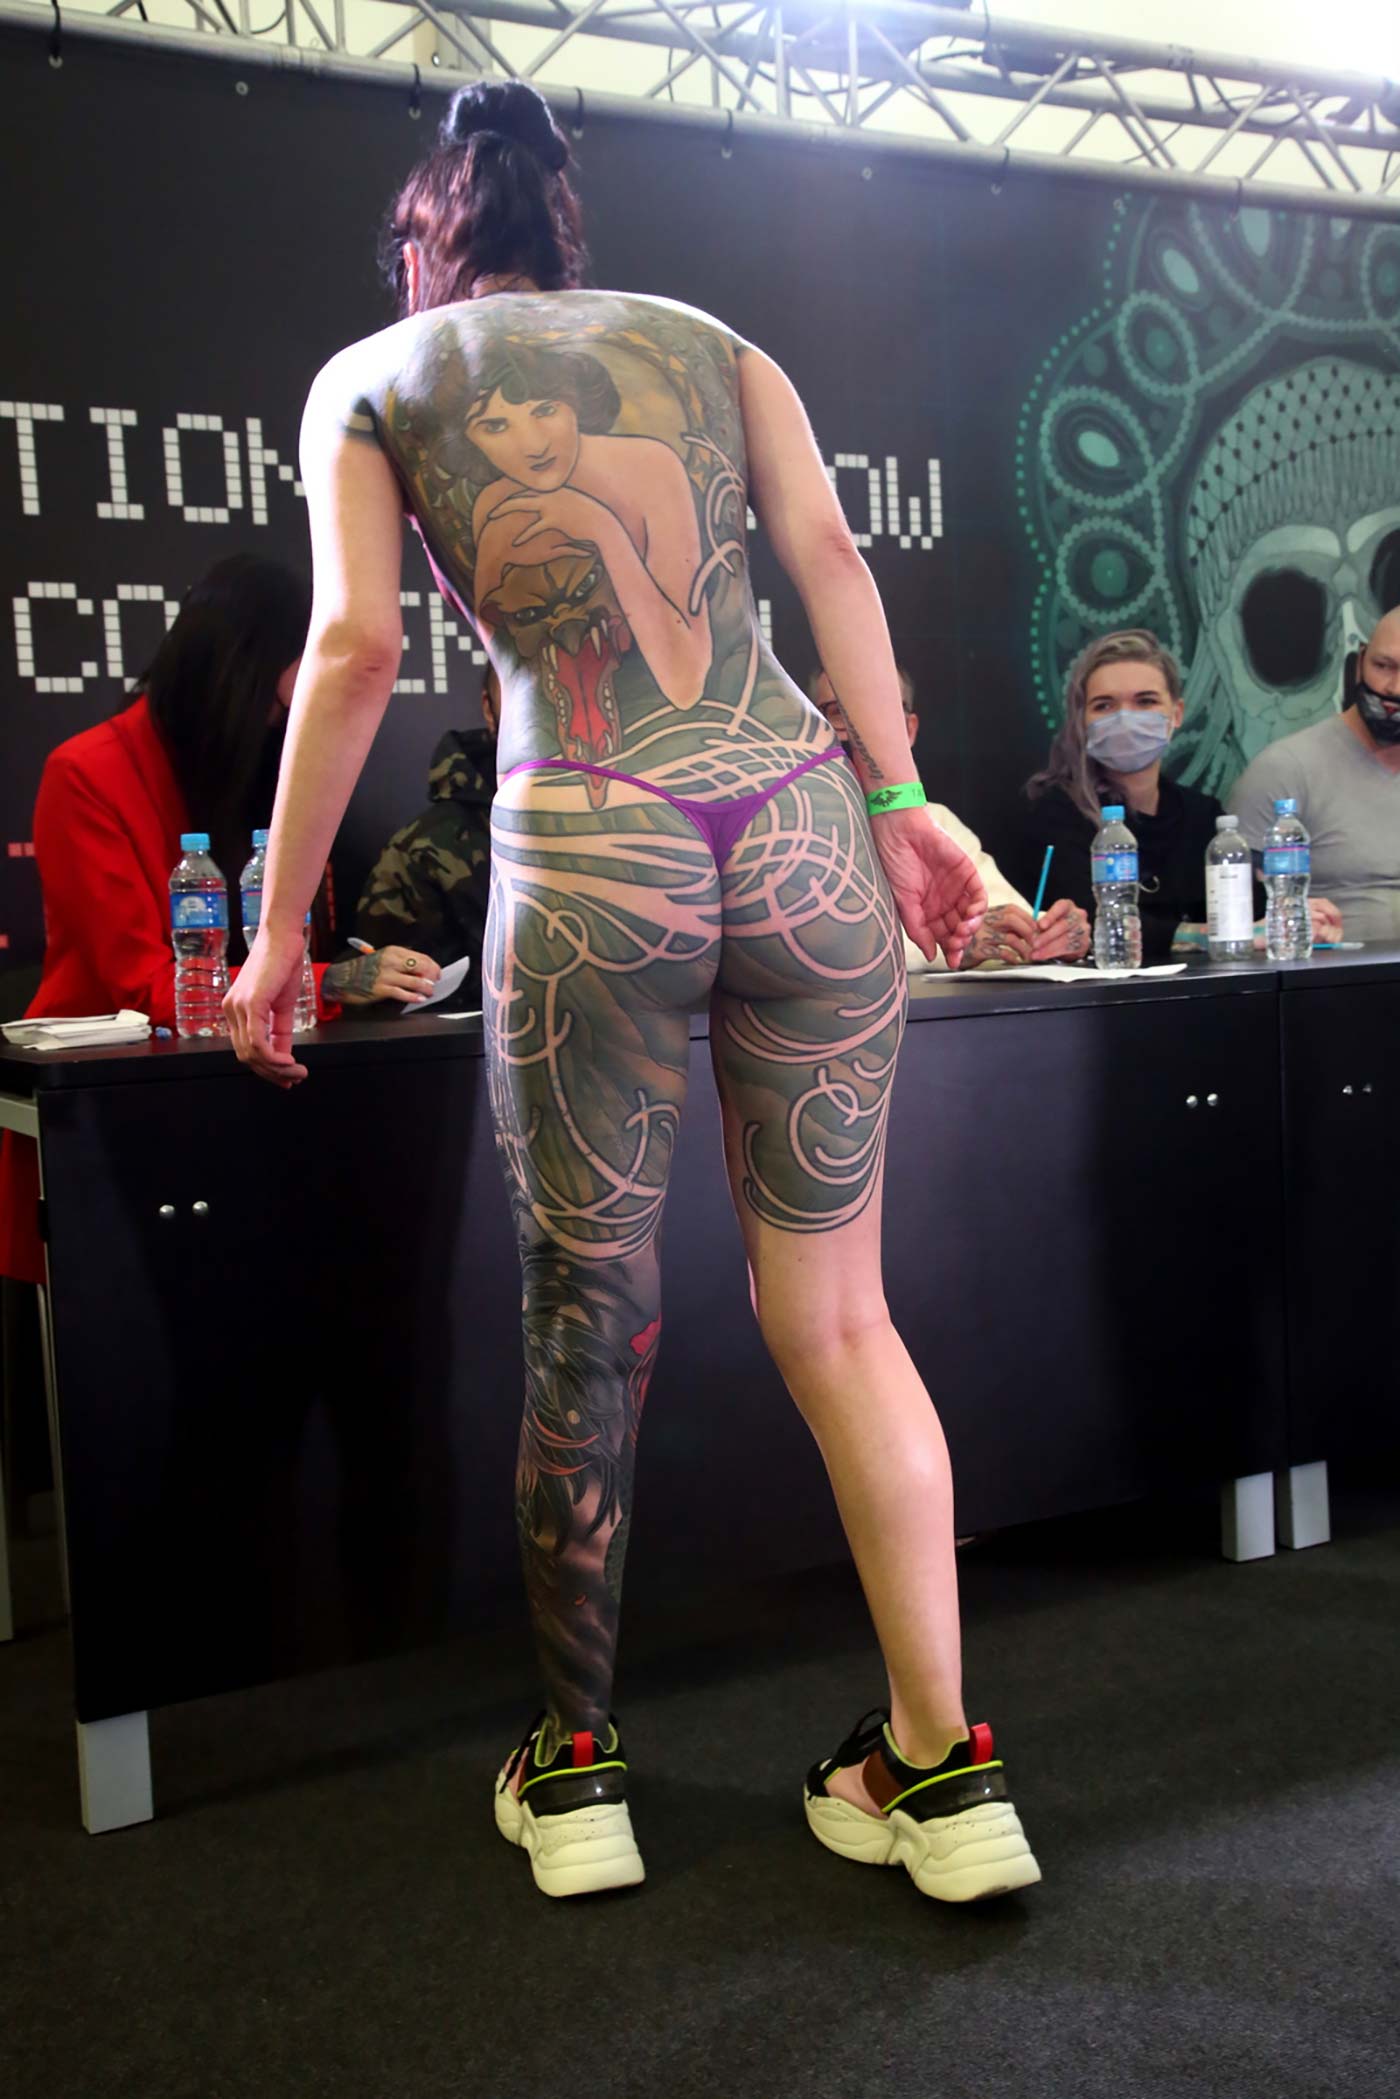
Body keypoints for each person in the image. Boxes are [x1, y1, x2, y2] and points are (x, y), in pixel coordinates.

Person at [226, 80, 1040, 1907]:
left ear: (426, 242)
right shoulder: (715, 342)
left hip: (600, 835)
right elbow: (832, 563)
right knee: (847, 1322)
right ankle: (944, 1765)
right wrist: (906, 801)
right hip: (802, 817)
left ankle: (579, 1769)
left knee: (588, 1319)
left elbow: (354, 646)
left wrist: (278, 929)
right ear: (563, 226)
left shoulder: (380, 372)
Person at [1, 555, 354, 1289]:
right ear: (238, 672)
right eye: (278, 697)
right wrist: (332, 981)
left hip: (240, 1114)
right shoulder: (86, 772)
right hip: (100, 1125)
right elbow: (150, 986)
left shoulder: (259, 769)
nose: (287, 717)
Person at [1021, 629, 1341, 962]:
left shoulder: (1203, 816)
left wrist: (1297, 922)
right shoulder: (1055, 812)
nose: (1125, 718)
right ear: (1082, 720)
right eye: (1104, 705)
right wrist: (1202, 935)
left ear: (1176, 713)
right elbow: (1086, 923)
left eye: (1145, 701)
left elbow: (1253, 915)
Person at [811, 668, 1089, 968]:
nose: (862, 729)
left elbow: (1006, 921)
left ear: (909, 730)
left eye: (884, 710)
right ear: (811, 729)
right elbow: (814, 947)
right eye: (840, 712)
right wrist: (954, 945)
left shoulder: (937, 820)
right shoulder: (790, 832)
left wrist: (1053, 933)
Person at [1227, 610, 1400, 943]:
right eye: (1383, 666)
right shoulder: (1284, 770)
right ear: (1360, 662)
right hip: (1333, 972)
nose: (1394, 688)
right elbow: (1233, 915)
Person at [330, 667, 498, 1005]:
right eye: (528, 694)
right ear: (489, 707)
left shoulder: (617, 828)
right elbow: (383, 997)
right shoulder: (425, 851)